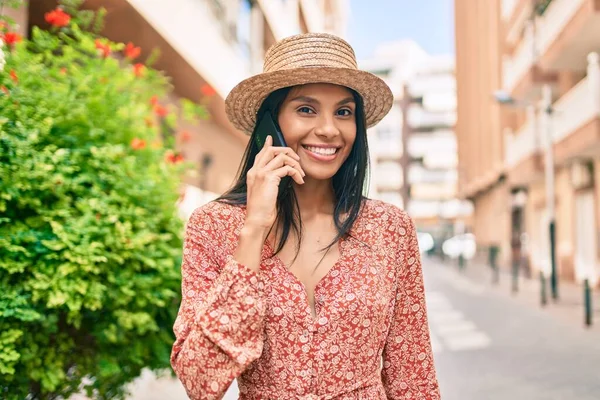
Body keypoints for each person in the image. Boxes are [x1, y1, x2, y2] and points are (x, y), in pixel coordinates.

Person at [170, 32, 440, 400]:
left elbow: (414, 377)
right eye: (306, 109)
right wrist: (254, 230)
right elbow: (200, 381)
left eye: (343, 112)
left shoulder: (390, 229)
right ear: (271, 123)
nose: (329, 129)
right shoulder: (213, 226)